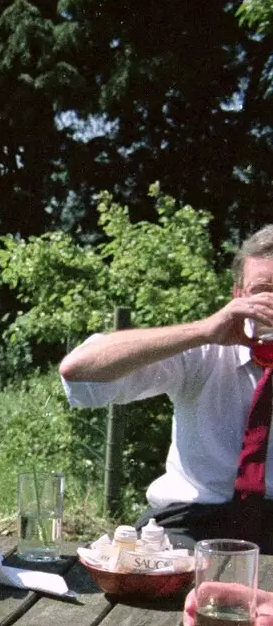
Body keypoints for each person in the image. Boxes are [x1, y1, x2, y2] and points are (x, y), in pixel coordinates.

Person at [59, 226, 273, 547]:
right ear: (238, 296)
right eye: (262, 291)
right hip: (192, 516)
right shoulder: (206, 350)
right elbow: (79, 372)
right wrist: (202, 330)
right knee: (162, 581)